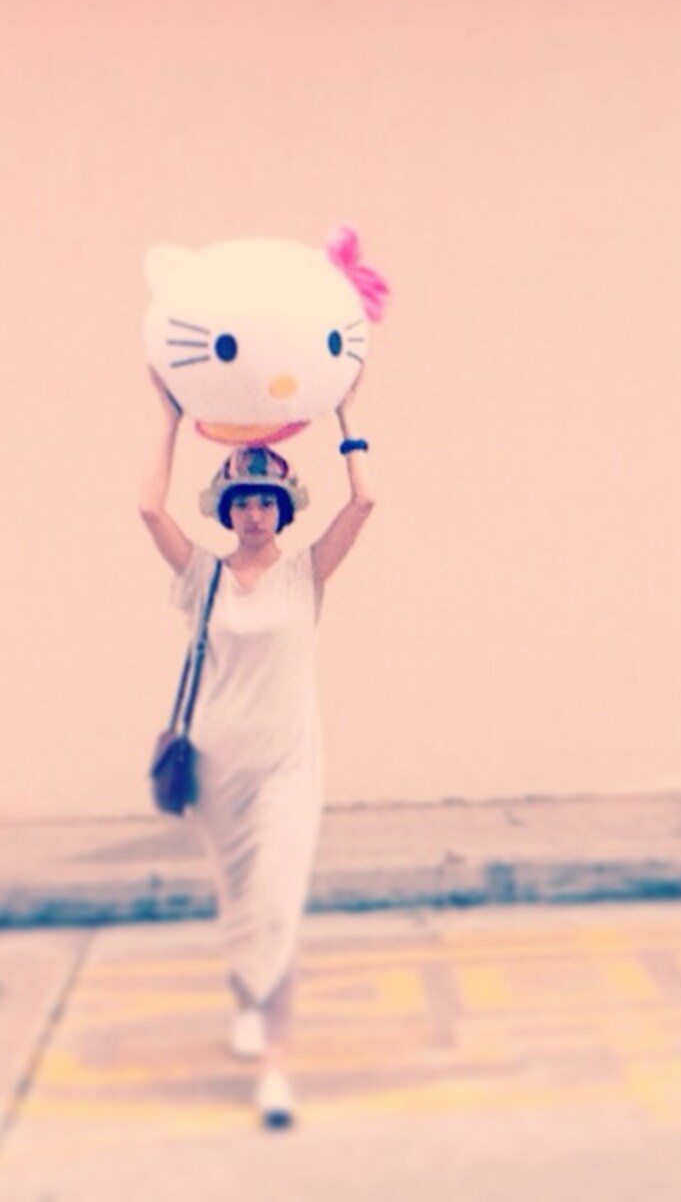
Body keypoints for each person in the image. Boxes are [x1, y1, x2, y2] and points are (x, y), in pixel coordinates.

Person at [139, 370, 374, 1129]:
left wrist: (345, 413)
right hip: (217, 771)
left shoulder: (307, 573)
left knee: (276, 908)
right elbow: (148, 509)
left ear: (282, 508)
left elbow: (365, 503)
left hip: (285, 769)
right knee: (241, 908)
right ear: (227, 508)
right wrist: (170, 420)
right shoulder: (203, 577)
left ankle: (276, 1066)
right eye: (241, 501)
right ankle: (246, 1002)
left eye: (265, 502)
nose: (253, 513)